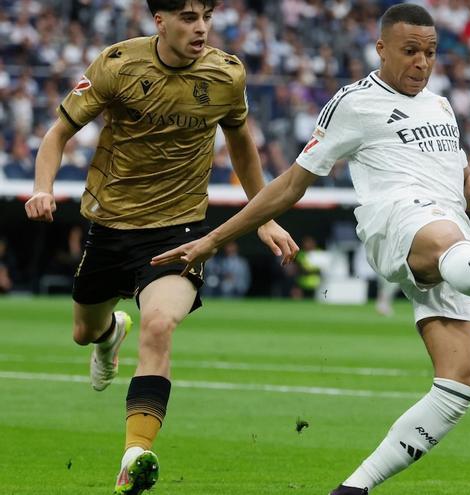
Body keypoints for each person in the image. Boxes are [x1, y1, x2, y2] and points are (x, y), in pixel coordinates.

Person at [151, 4, 470, 494]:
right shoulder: (353, 103)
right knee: (448, 239)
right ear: (381, 48)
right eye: (410, 51)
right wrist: (214, 238)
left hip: (451, 238)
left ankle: (355, 487)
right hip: (393, 223)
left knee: (460, 381)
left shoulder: (442, 106)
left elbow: (460, 184)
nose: (422, 62)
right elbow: (291, 184)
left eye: (430, 53)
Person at [23, 2, 297, 494]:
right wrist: (42, 188)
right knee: (84, 333)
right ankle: (109, 333)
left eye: (206, 16)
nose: (201, 27)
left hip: (178, 231)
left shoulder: (226, 74)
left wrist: (264, 217)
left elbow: (242, 146)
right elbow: (58, 133)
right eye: (189, 17)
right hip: (110, 227)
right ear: (160, 22)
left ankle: (135, 455)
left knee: (158, 324)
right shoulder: (117, 64)